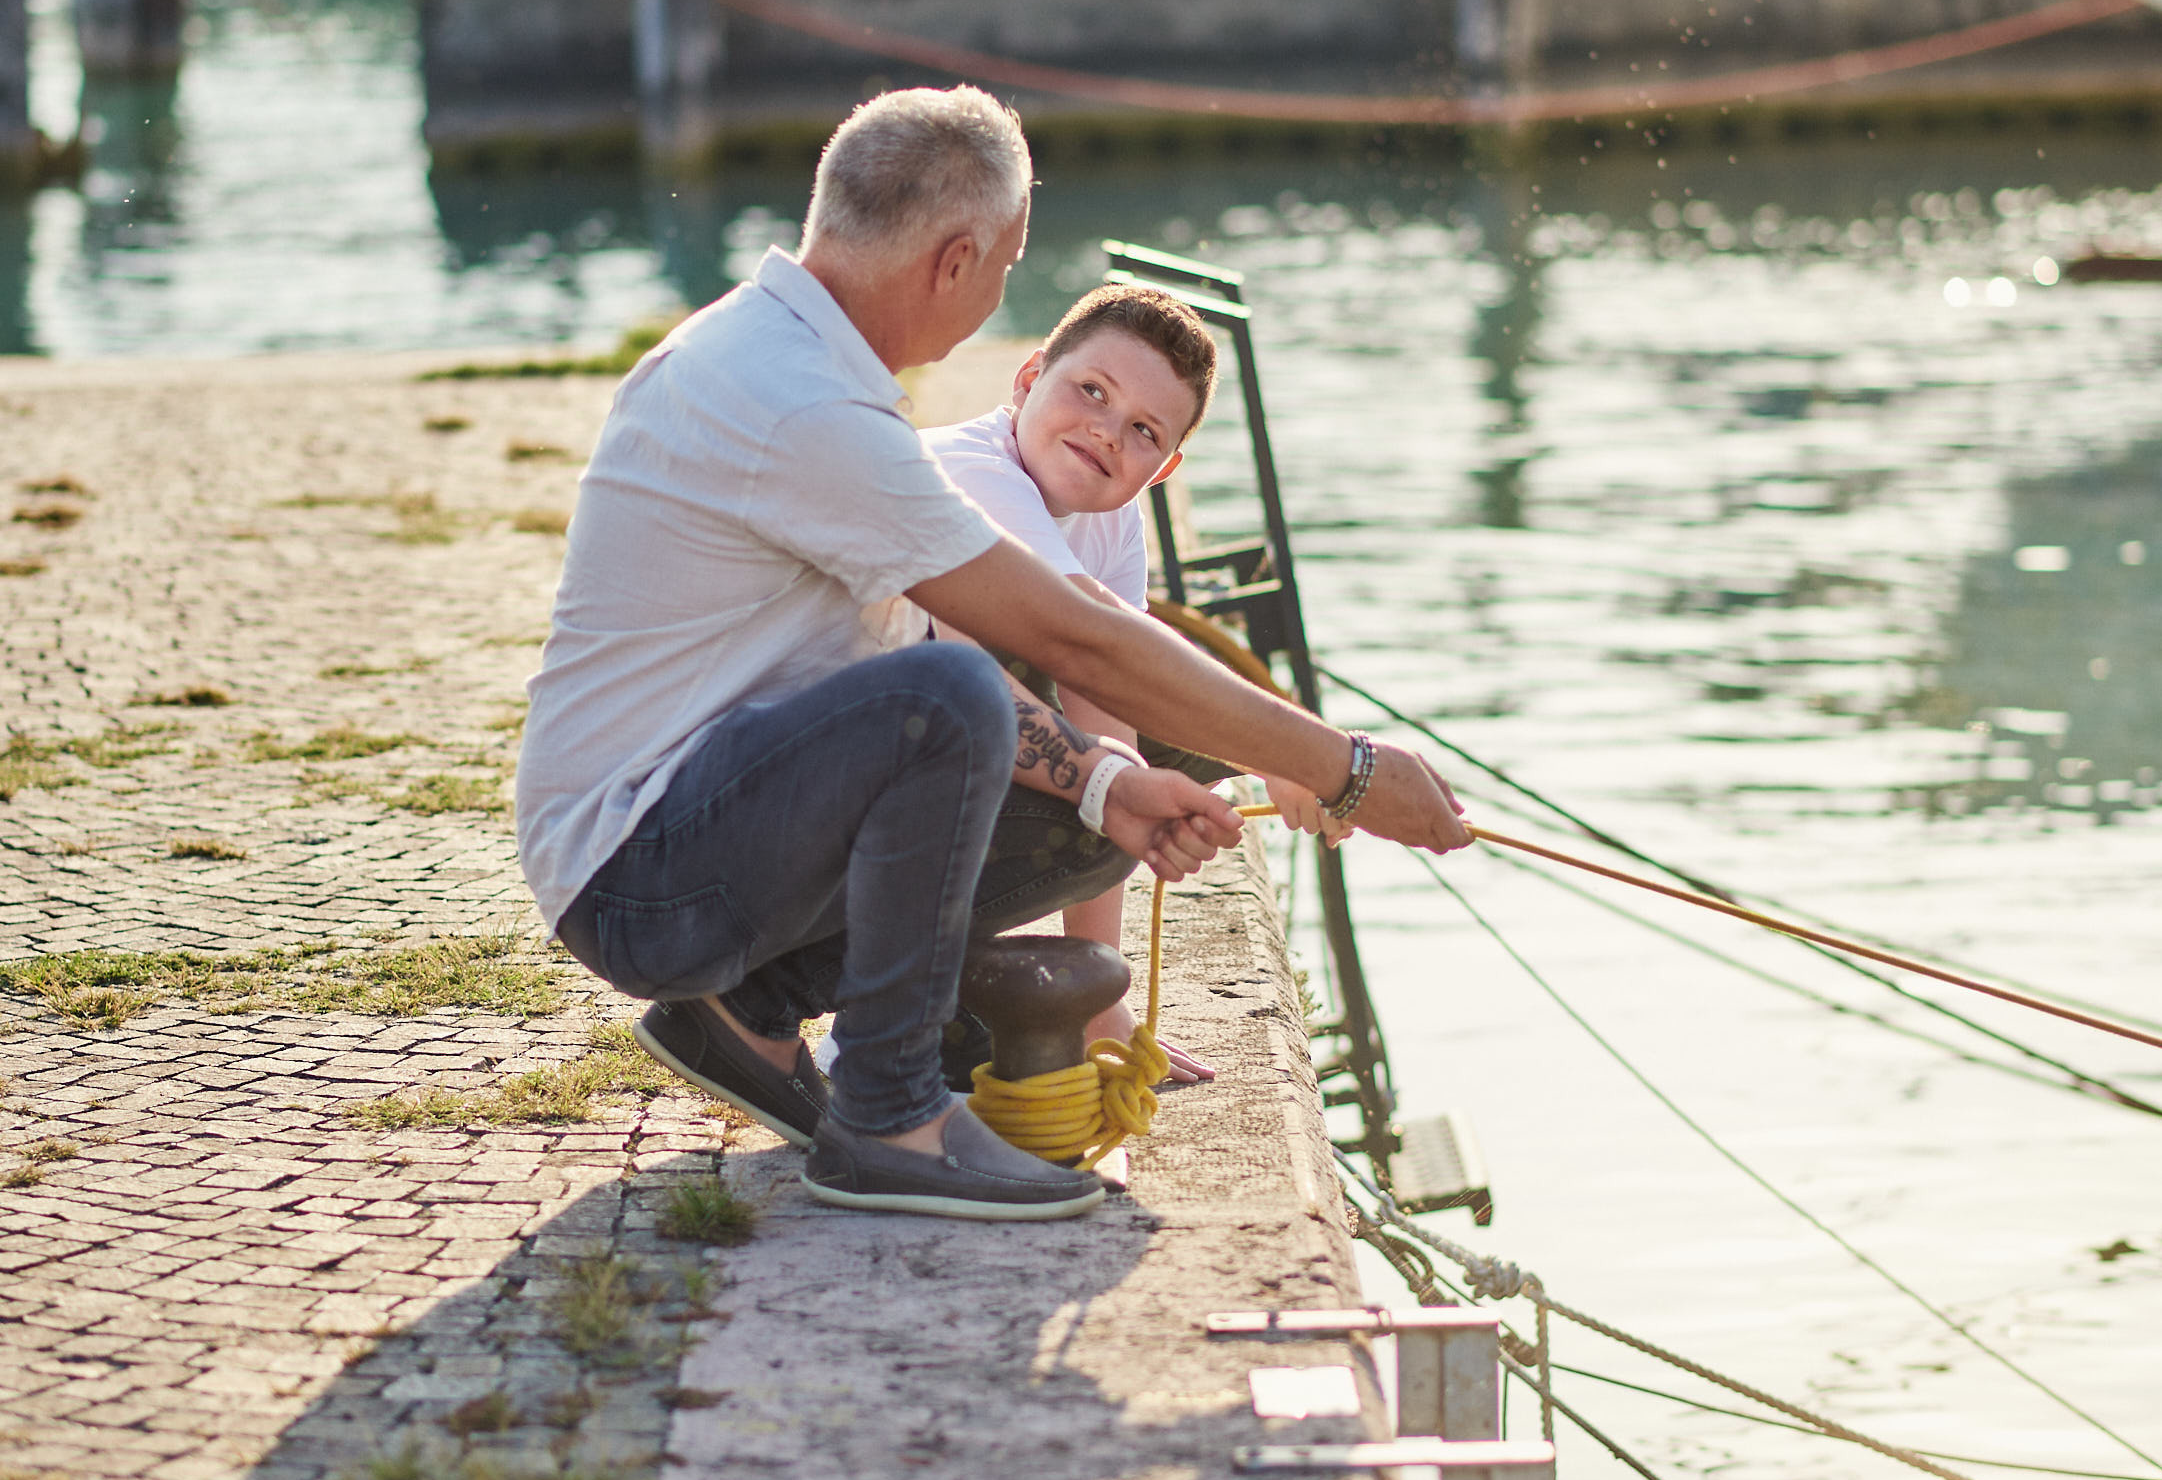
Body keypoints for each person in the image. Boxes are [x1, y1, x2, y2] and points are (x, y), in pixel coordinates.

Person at [515, 84, 1470, 1225]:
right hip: (640, 876)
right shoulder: (799, 404)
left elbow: (926, 654)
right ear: (957, 261)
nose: (1001, 293)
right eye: (1008, 266)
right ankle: (890, 1118)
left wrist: (1106, 784)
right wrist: (1342, 767)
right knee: (953, 694)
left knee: (1053, 774)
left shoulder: (783, 359)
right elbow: (1063, 637)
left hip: (679, 841)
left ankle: (748, 1011)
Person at [910, 280, 1349, 1087]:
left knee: (1155, 760)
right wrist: (1296, 756)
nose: (1106, 432)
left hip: (915, 766)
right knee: (1134, 776)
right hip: (809, 810)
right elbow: (1078, 656)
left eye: (1143, 430)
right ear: (1028, 377)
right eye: (1091, 390)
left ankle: (1018, 997)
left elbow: (1112, 711)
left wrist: (1100, 998)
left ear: (1165, 467)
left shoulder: (1111, 516)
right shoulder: (965, 472)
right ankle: (902, 993)